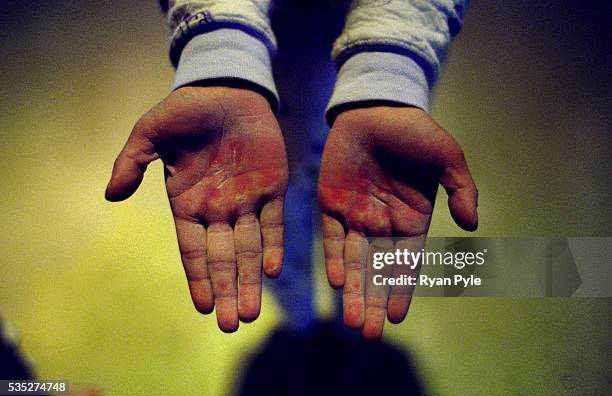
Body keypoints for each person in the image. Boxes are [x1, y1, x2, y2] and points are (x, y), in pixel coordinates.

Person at [105, 0, 478, 339]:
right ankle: (299, 315)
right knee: (270, 223)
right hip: (268, 56)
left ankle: (330, 318)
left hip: (384, 41)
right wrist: (223, 53)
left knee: (358, 224)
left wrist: (387, 71)